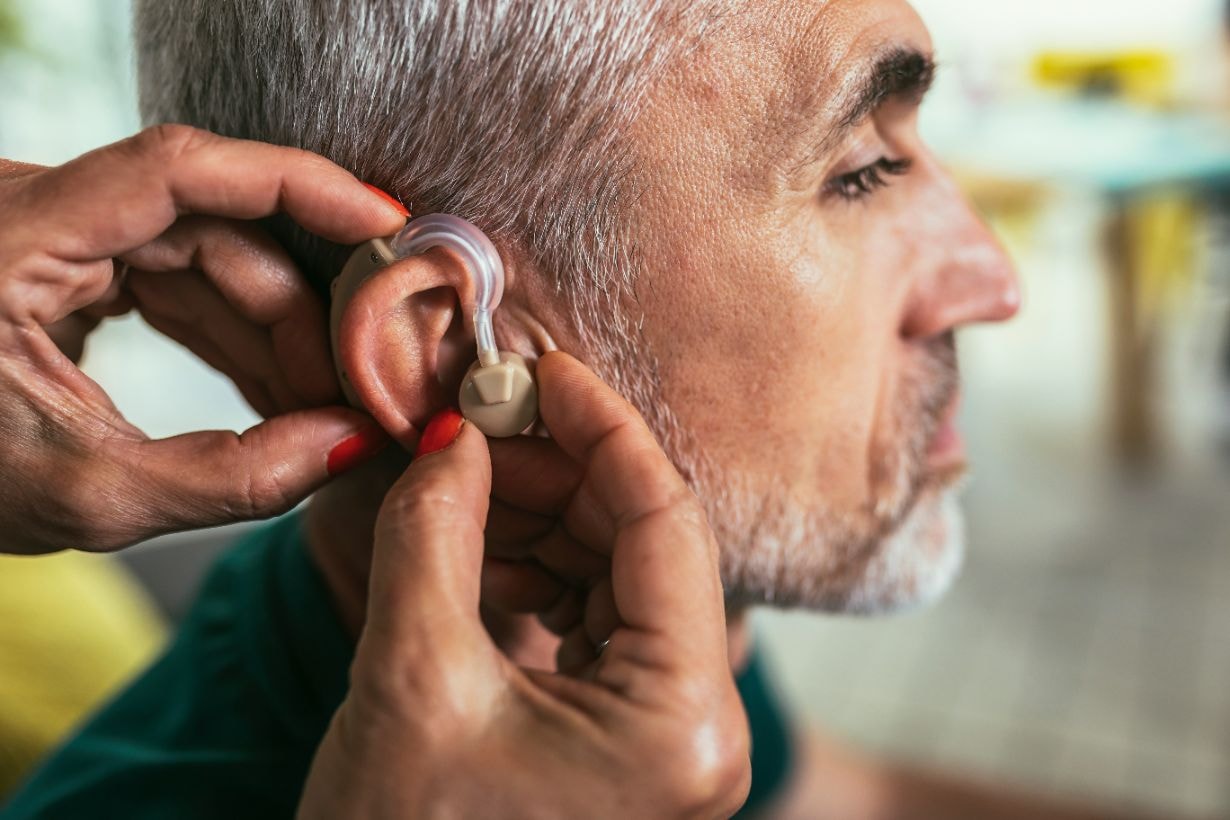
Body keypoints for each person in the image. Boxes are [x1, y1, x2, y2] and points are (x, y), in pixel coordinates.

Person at [1, 0, 1149, 817]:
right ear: (456, 350)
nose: (994, 282)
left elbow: (840, 795)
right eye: (857, 171)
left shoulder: (623, 627)